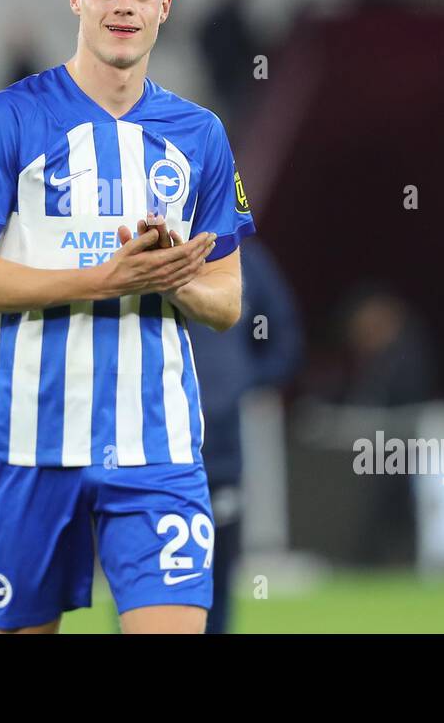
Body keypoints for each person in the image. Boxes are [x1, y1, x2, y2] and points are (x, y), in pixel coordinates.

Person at [0, 0, 255, 633]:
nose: (124, 5)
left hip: (156, 448)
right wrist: (102, 280)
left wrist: (168, 277)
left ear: (165, 7)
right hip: (25, 446)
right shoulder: (7, 119)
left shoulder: (199, 135)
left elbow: (228, 301)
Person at [186, 237, 302, 633]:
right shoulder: (148, 252)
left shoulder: (245, 259)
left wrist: (245, 381)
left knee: (218, 567)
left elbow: (283, 332)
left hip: (220, 443)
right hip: (150, 439)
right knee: (144, 566)